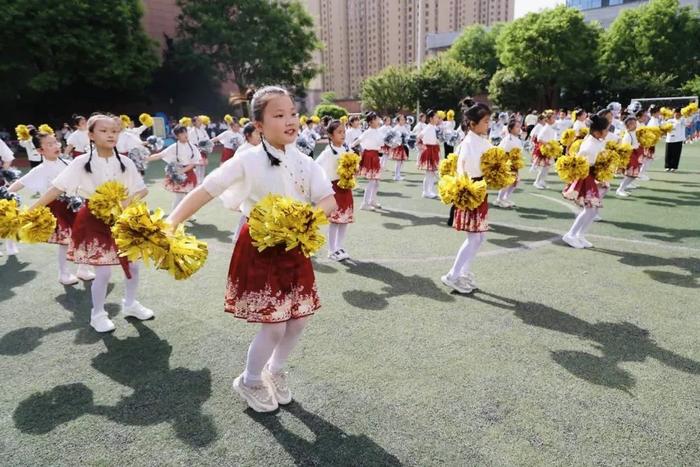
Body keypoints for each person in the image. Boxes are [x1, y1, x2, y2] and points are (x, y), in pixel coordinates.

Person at [166, 86, 336, 413]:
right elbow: (206, 190)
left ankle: (275, 370)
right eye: (279, 115)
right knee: (273, 324)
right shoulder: (247, 161)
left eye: (292, 114)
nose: (290, 120)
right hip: (260, 245)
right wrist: (171, 222)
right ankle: (250, 379)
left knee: (299, 320)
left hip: (294, 246)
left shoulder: (303, 160)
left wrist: (307, 219)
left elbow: (327, 198)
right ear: (258, 124)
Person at [30, 113, 153, 333]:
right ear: (91, 135)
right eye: (104, 131)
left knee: (133, 266)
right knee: (103, 271)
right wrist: (31, 210)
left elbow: (141, 189)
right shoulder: (80, 162)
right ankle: (98, 314)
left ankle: (130, 304)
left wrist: (122, 202)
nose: (110, 135)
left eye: (114, 131)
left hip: (123, 219)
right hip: (94, 219)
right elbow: (57, 187)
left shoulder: (125, 162)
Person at [7, 129, 95, 283]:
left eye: (56, 142)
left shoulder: (69, 163)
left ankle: (83, 268)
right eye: (49, 144)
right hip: (58, 208)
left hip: (76, 205)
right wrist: (5, 193)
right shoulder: (40, 169)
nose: (56, 145)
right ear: (41, 150)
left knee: (83, 237)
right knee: (65, 242)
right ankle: (63, 273)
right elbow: (20, 183)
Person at [441, 98, 492, 295]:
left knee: (479, 237)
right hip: (470, 192)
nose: (488, 124)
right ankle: (452, 276)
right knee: (473, 239)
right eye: (485, 121)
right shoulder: (468, 142)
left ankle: (463, 272)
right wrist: (465, 189)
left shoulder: (481, 140)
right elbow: (461, 168)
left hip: (480, 190)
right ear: (472, 124)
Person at [561, 114, 610, 249]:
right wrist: (597, 179)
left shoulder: (595, 140)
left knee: (593, 211)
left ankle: (580, 235)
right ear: (597, 131)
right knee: (589, 209)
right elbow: (584, 165)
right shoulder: (589, 145)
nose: (607, 132)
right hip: (585, 178)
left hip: (591, 177)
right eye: (606, 130)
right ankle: (570, 235)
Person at [316, 120, 354, 261]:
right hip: (334, 189)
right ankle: (331, 250)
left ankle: (339, 246)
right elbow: (316, 167)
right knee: (335, 220)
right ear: (331, 135)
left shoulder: (347, 149)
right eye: (339, 132)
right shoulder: (327, 152)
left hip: (346, 188)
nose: (343, 134)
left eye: (344, 131)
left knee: (345, 220)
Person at [147, 125, 201, 212]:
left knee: (189, 196)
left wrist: (182, 171)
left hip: (189, 173)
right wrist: (146, 158)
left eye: (185, 132)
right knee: (179, 196)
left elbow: (193, 163)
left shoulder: (193, 147)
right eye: (182, 133)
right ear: (177, 136)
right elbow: (160, 155)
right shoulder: (174, 147)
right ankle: (173, 216)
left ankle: (189, 214)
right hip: (178, 175)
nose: (185, 134)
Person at [354, 112, 384, 211]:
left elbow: (380, 144)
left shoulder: (378, 131)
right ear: (371, 122)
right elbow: (358, 140)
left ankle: (372, 200)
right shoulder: (368, 131)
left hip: (375, 156)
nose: (378, 120)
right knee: (372, 181)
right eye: (376, 119)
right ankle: (365, 203)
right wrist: (350, 147)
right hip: (369, 156)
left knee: (376, 181)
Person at [495, 118, 524, 208]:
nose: (519, 128)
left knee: (515, 181)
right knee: (506, 182)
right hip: (507, 164)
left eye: (520, 126)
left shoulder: (517, 139)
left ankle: (505, 197)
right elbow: (500, 150)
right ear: (511, 129)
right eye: (517, 127)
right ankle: (499, 199)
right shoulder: (507, 139)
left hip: (515, 164)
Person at [417, 109, 441, 198]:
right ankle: (425, 191)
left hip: (433, 150)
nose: (437, 119)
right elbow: (419, 137)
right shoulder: (428, 127)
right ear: (431, 119)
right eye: (436, 117)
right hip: (429, 151)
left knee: (432, 172)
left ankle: (430, 191)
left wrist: (437, 141)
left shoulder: (433, 127)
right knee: (429, 173)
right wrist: (421, 146)